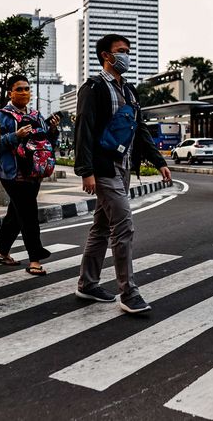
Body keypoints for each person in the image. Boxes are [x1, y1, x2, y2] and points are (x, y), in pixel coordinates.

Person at [74, 34, 172, 314]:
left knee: (101, 227)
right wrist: (86, 171)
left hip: (123, 167)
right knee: (123, 226)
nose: (127, 55)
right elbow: (84, 129)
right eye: (121, 51)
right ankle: (128, 292)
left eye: (128, 51)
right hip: (104, 169)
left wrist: (158, 160)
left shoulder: (129, 90)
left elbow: (139, 129)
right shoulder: (93, 88)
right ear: (106, 55)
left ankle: (87, 283)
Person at [0, 75, 59, 275]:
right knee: (28, 213)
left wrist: (52, 130)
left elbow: (46, 143)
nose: (24, 92)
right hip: (12, 173)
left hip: (33, 171)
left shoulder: (36, 115)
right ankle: (35, 258)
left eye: (27, 89)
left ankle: (2, 250)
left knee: (16, 213)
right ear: (10, 92)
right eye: (19, 89)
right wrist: (15, 136)